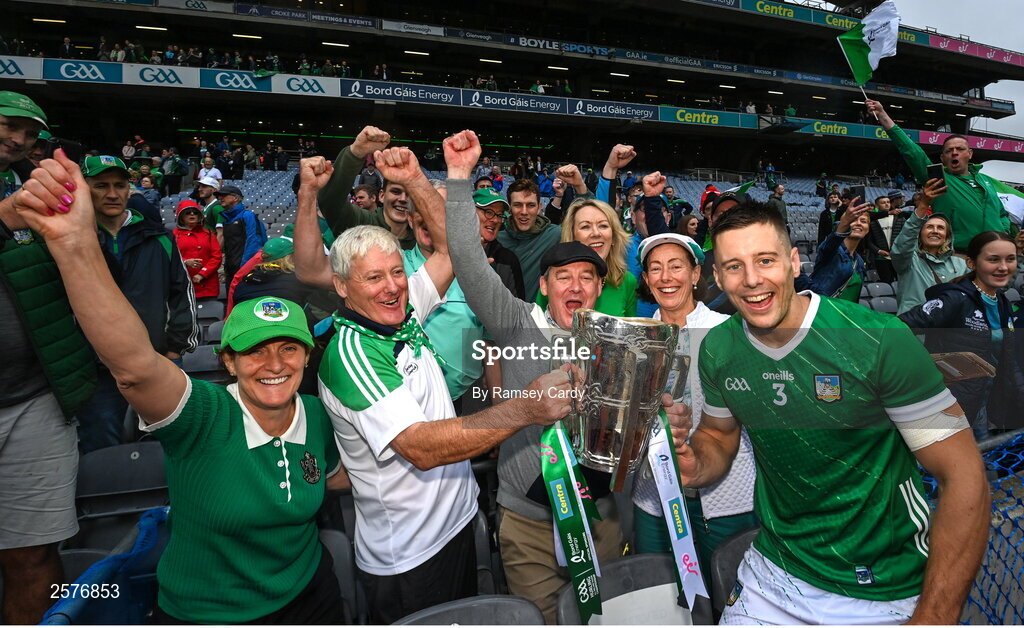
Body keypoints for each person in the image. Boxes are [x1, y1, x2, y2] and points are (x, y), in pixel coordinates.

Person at [15, 152, 347, 624]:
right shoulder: (202, 415)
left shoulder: (315, 414)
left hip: (312, 597)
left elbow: (336, 477)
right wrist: (75, 246)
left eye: (290, 349)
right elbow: (134, 366)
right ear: (227, 361)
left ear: (307, 356)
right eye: (255, 351)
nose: (274, 364)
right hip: (208, 614)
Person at [292, 143, 572, 623]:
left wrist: (419, 179)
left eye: (397, 272)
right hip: (411, 559)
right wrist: (526, 407)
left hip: (458, 526)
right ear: (341, 287)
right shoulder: (352, 354)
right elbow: (421, 447)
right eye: (372, 278)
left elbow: (450, 251)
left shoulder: (402, 313)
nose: (392, 286)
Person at [672, 200, 988, 625]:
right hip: (775, 572)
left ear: (794, 261)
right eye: (733, 266)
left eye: (765, 260)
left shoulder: (880, 340)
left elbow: (965, 476)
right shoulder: (719, 349)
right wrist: (694, 463)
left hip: (882, 588)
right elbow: (717, 436)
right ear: (716, 277)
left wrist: (935, 616)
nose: (751, 280)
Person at [442, 130, 691, 622]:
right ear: (544, 284)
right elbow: (469, 262)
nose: (574, 286)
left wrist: (667, 423)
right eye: (563, 276)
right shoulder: (513, 321)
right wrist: (456, 180)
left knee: (608, 619)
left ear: (600, 288)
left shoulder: (620, 341)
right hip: (529, 525)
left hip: (602, 519)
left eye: (586, 278)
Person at [0, 103, 98, 624]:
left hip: (35, 396)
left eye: (29, 132)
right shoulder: (15, 202)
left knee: (34, 553)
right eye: (7, 125)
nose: (18, 139)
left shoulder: (34, 187)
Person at [630, 232, 755, 576]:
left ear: (696, 274)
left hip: (727, 496)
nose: (666, 277)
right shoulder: (634, 338)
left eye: (676, 267)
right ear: (646, 280)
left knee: (731, 597)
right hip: (653, 496)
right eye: (655, 269)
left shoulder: (730, 332)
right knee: (662, 596)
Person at [75, 155, 199, 453]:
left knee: (168, 438)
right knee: (101, 441)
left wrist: (174, 349)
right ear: (84, 188)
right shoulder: (73, 239)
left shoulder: (159, 238)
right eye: (101, 185)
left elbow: (181, 293)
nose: (112, 193)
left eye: (120, 185)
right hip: (96, 366)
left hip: (156, 358)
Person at [899, 231, 1023, 440]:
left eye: (1010, 259)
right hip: (949, 411)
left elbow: (1009, 362)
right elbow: (898, 327)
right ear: (971, 263)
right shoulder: (954, 299)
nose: (1003, 267)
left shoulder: (1003, 304)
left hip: (985, 408)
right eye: (993, 259)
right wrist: (926, 367)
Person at [867, 99, 1011, 250]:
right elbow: (912, 152)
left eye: (960, 149)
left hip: (995, 253)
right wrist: (882, 115)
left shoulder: (986, 181)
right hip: (959, 256)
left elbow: (1002, 214)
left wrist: (1004, 231)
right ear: (943, 158)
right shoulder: (938, 179)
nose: (954, 153)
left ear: (970, 154)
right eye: (949, 151)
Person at [318, 126, 414, 250]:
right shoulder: (359, 222)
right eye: (396, 191)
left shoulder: (424, 237)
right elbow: (330, 200)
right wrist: (355, 153)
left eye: (410, 194)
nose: (403, 199)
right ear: (381, 196)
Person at [537, 198, 637, 317]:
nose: (596, 233)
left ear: (614, 236)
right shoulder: (554, 281)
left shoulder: (627, 282)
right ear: (572, 236)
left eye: (603, 226)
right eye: (585, 227)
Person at [891, 179, 968, 314]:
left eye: (940, 228)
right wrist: (923, 205)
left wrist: (1018, 254)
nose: (935, 231)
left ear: (947, 236)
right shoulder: (909, 261)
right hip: (914, 330)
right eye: (929, 227)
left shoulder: (961, 265)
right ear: (920, 234)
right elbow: (903, 244)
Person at [497, 176, 562, 302]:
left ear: (539, 207)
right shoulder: (497, 240)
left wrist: (580, 187)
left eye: (531, 205)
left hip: (537, 317)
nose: (524, 211)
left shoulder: (554, 235)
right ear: (509, 207)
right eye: (518, 205)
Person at [807, 198, 871, 301]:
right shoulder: (832, 251)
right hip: (824, 312)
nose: (858, 223)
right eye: (853, 220)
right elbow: (828, 246)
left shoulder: (859, 262)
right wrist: (844, 222)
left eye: (863, 221)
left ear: (867, 229)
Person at [173, 199, 222, 300]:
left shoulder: (209, 234)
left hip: (208, 286)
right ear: (181, 216)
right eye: (187, 212)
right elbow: (169, 258)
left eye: (195, 212)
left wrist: (202, 273)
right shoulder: (173, 235)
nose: (192, 214)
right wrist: (185, 262)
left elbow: (217, 257)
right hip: (183, 285)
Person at [216, 184, 266, 283]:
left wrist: (244, 268)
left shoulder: (248, 216)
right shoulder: (227, 219)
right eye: (219, 196)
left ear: (235, 198)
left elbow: (254, 242)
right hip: (230, 271)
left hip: (243, 271)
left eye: (224, 195)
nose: (220, 198)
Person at [865, 194, 906, 284]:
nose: (887, 204)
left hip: (898, 257)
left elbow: (906, 237)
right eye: (883, 203)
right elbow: (868, 241)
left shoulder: (900, 218)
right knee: (886, 283)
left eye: (888, 202)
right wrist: (878, 251)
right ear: (877, 206)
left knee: (902, 283)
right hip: (881, 259)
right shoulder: (871, 221)